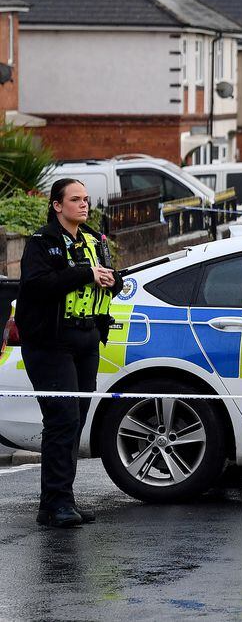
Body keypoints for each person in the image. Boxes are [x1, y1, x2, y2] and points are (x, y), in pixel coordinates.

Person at [15, 178, 123, 528]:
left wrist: (111, 279)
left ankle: (59, 501)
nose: (83, 205)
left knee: (73, 422)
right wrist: (84, 274)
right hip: (51, 342)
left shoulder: (93, 239)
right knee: (62, 419)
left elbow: (109, 277)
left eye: (86, 199)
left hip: (87, 338)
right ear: (57, 205)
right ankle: (57, 503)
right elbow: (37, 285)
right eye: (75, 199)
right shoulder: (42, 243)